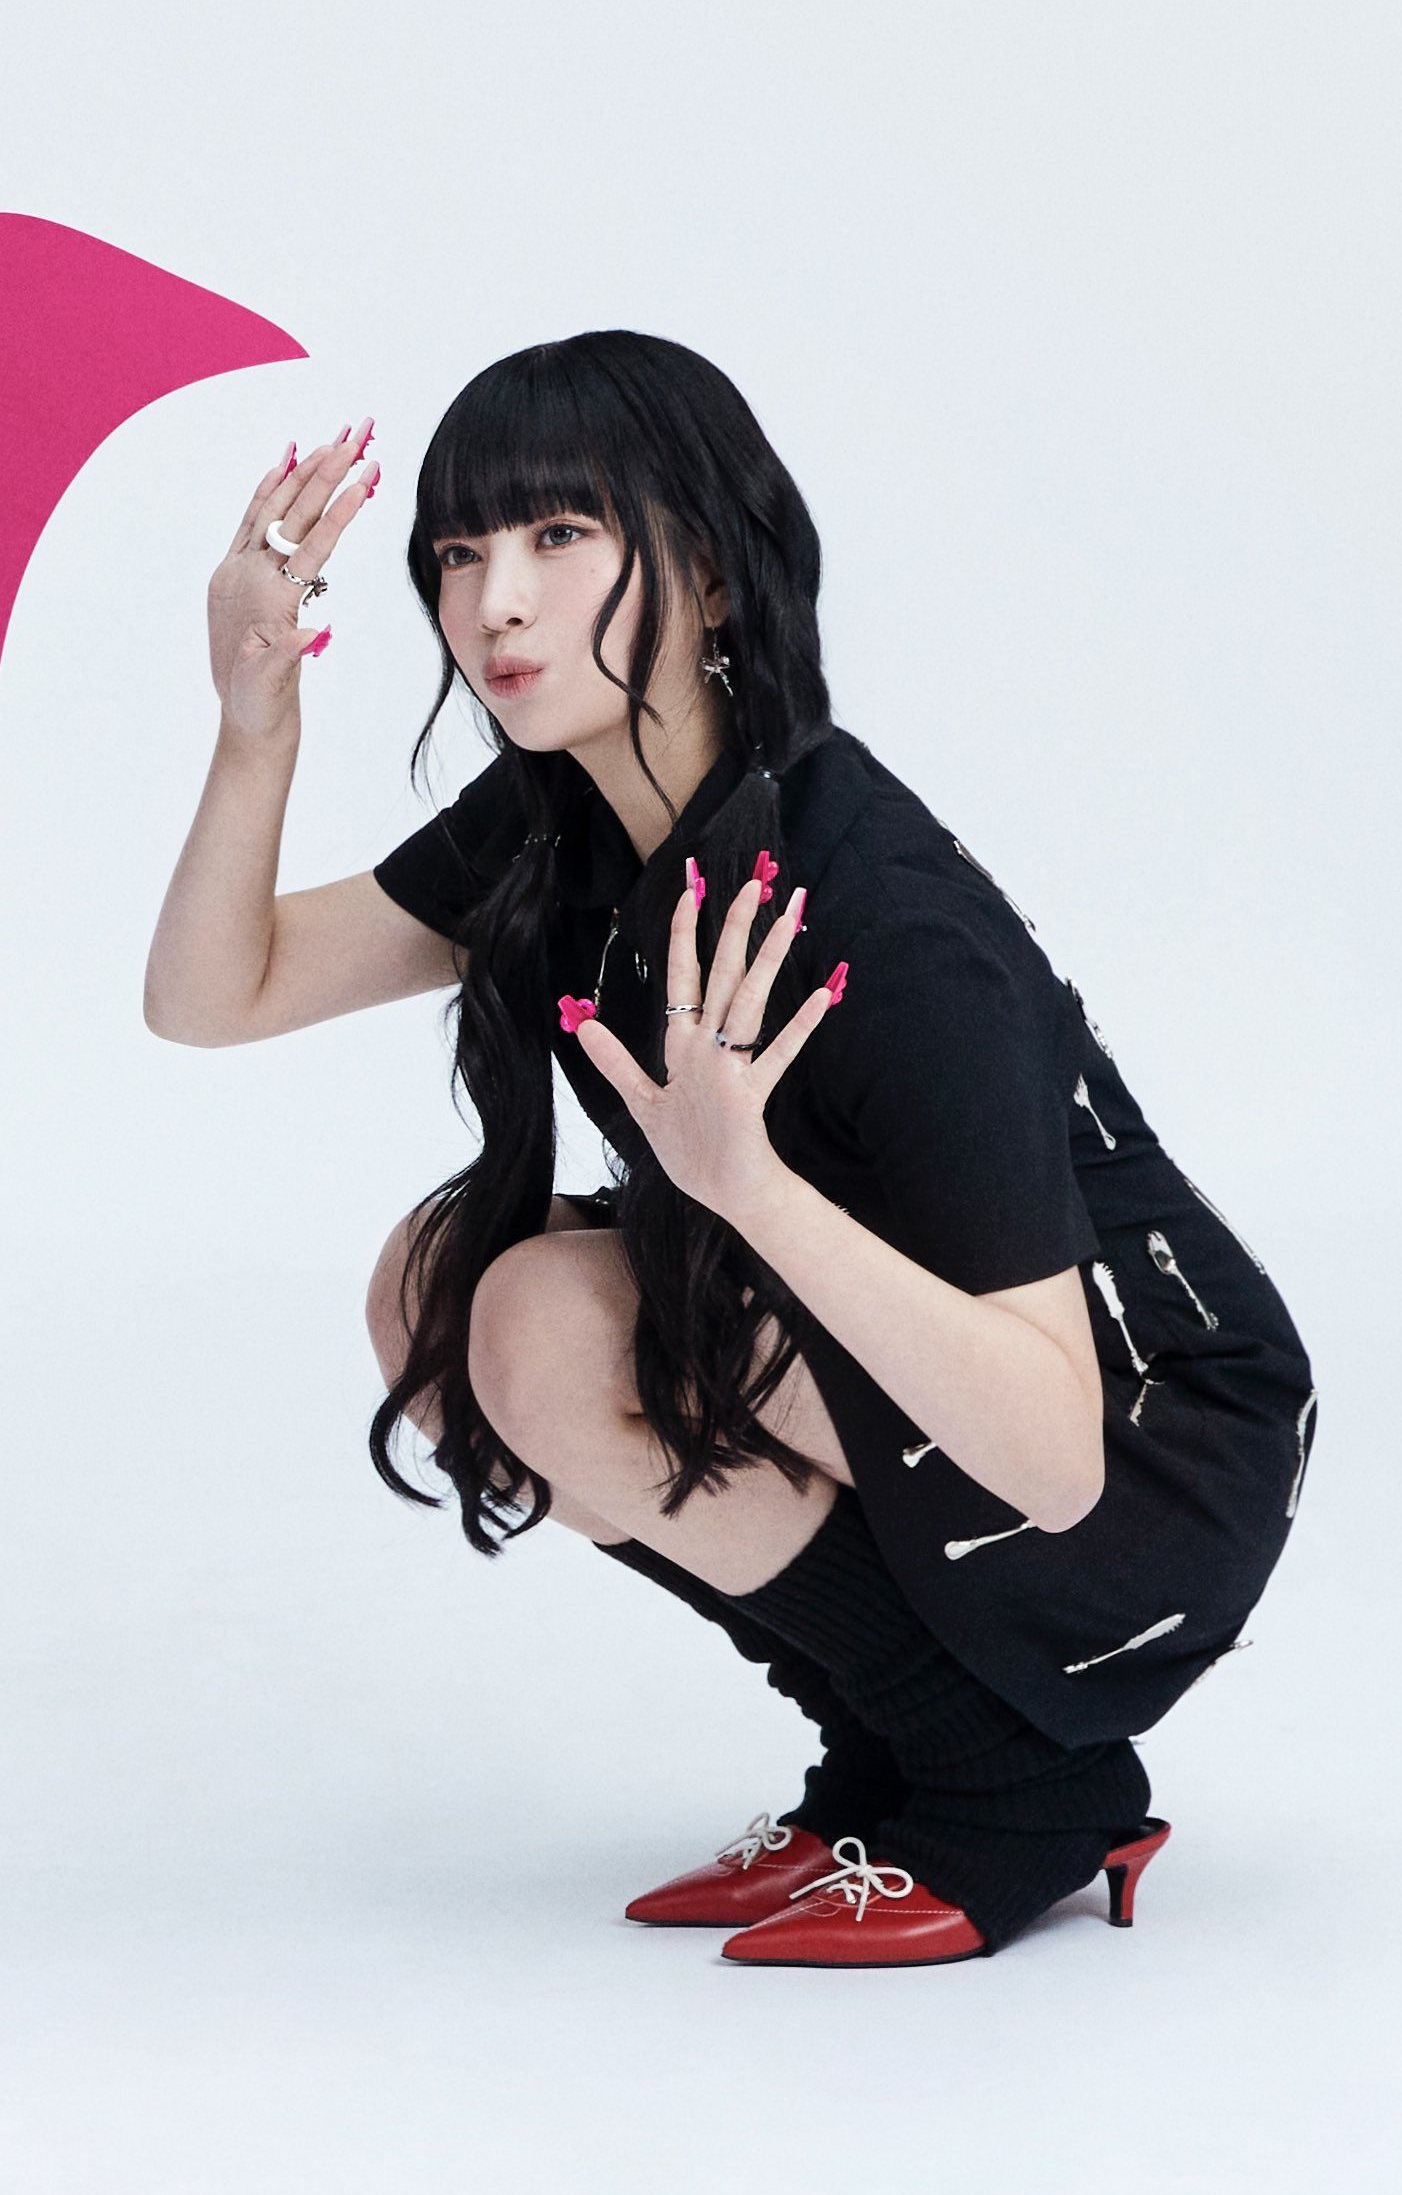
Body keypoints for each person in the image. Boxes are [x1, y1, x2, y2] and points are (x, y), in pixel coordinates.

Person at [145, 328, 1318, 1969]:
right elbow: (214, 995)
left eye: (561, 534)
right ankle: (890, 1754)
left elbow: (1054, 1452)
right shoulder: (564, 822)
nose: (494, 602)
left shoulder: (884, 917)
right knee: (439, 1290)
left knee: (540, 1323)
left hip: (1142, 1467)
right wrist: (254, 722)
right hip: (930, 1413)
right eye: (461, 550)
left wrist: (745, 1184)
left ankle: (1017, 1785)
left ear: (705, 571)